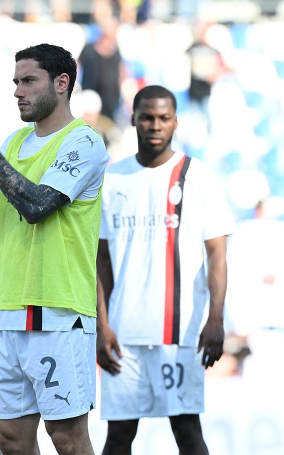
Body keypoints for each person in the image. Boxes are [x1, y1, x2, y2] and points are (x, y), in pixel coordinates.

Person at [0, 43, 110, 455]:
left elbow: (37, 206)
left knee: (67, 438)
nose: (18, 91)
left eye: (28, 81)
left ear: (61, 83)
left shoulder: (83, 142)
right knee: (11, 439)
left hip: (57, 311)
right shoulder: (16, 141)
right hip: (9, 310)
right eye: (16, 82)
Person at [96, 85, 235, 455]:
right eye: (147, 117)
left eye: (163, 118)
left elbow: (217, 254)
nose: (155, 125)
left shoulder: (199, 177)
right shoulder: (112, 179)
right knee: (118, 436)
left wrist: (216, 318)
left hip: (179, 331)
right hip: (122, 334)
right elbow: (101, 261)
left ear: (175, 121)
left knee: (187, 432)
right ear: (133, 119)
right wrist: (101, 326)